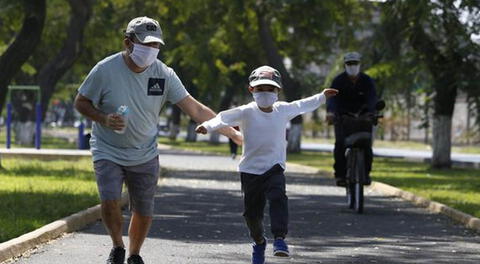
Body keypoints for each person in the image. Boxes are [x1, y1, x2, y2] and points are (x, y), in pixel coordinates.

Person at [74, 16, 241, 264]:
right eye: (146, 44)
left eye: (156, 45)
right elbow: (80, 103)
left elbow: (195, 109)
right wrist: (103, 118)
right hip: (108, 149)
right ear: (128, 43)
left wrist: (232, 132)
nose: (152, 50)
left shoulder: (164, 74)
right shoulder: (104, 70)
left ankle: (134, 254)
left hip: (145, 152)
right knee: (109, 201)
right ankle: (117, 247)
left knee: (143, 210)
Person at [195, 65, 338, 264]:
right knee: (252, 215)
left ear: (277, 91)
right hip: (250, 171)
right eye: (260, 89)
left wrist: (322, 96)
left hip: (274, 168)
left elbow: (302, 104)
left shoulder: (283, 110)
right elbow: (222, 118)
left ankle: (280, 240)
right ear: (251, 90)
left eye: (270, 89)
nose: (265, 93)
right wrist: (206, 126)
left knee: (278, 197)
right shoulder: (246, 112)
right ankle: (259, 242)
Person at [326, 51, 378, 187]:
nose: (352, 66)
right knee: (340, 145)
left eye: (355, 63)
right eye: (349, 63)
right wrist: (331, 113)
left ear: (360, 64)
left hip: (363, 118)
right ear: (345, 65)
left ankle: (365, 174)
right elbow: (332, 99)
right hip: (343, 118)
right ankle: (340, 175)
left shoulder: (367, 81)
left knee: (366, 145)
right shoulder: (338, 81)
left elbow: (373, 98)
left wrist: (373, 112)